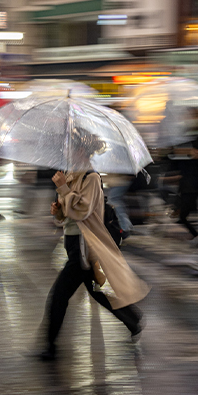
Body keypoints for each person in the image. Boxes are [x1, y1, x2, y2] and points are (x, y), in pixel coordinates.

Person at [40, 130, 148, 361]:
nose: (65, 152)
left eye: (69, 148)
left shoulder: (91, 177)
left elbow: (82, 210)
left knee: (59, 295)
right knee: (99, 291)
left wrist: (62, 189)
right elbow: (66, 214)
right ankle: (133, 320)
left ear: (80, 150)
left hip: (84, 244)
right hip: (73, 241)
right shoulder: (71, 174)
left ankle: (49, 346)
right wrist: (57, 211)